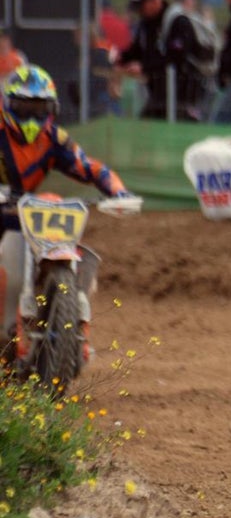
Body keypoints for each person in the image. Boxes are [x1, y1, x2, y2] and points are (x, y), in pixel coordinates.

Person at [0, 64, 135, 342]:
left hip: (24, 213)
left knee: (69, 245)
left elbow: (89, 167)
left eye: (38, 110)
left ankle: (68, 320)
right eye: (23, 108)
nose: (31, 117)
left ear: (51, 111)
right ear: (8, 105)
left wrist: (118, 192)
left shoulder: (54, 139)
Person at [115, 0, 210, 122]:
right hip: (159, 94)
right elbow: (137, 51)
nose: (139, 11)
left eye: (142, 6)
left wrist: (144, 67)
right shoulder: (145, 24)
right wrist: (120, 59)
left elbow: (176, 58)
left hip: (184, 95)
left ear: (155, 0)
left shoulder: (178, 21)